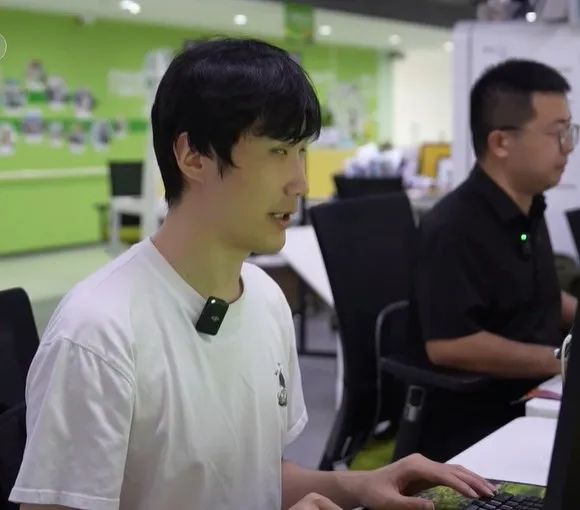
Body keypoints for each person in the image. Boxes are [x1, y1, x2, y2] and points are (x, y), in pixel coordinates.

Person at [10, 39, 495, 510]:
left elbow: (258, 478)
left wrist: (362, 486)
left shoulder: (265, 298)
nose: (301, 183)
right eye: (279, 152)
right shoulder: (97, 335)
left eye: (302, 152)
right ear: (193, 157)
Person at [414, 59, 578, 460]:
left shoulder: (528, 207)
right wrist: (562, 359)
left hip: (533, 399)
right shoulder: (452, 227)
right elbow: (450, 345)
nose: (568, 147)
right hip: (481, 429)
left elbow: (538, 295)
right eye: (557, 133)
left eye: (570, 131)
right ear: (501, 142)